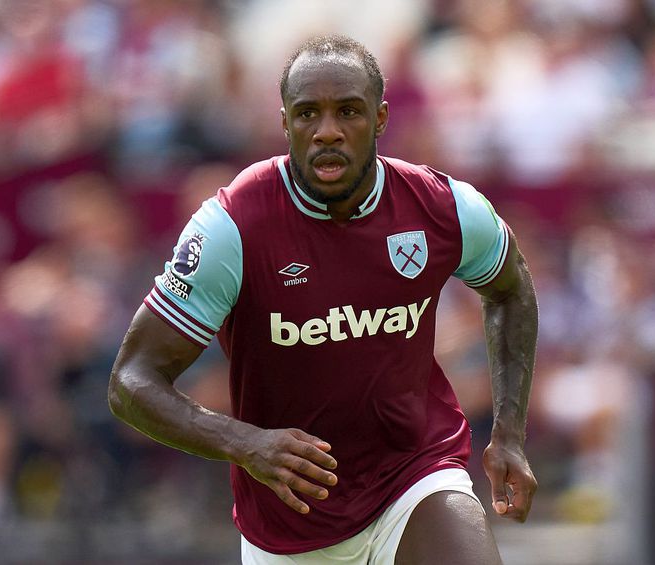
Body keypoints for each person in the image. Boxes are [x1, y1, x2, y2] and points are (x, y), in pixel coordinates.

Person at [109, 34, 538, 565]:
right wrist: (245, 443)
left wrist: (510, 433)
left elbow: (511, 288)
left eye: (349, 112)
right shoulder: (233, 226)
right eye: (308, 113)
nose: (327, 131)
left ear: (380, 119)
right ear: (285, 121)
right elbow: (131, 382)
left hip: (414, 477)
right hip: (291, 523)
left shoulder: (442, 207)